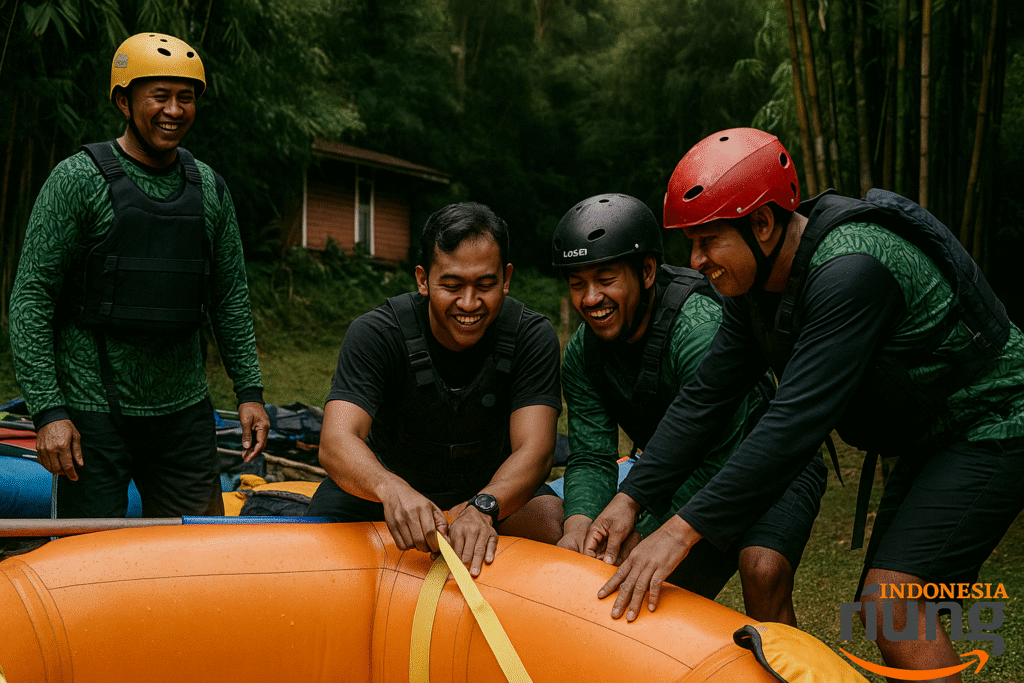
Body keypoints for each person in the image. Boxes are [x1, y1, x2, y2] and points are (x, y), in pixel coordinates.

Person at [588, 128, 1024, 678]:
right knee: (889, 609)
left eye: (708, 241)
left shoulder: (849, 272)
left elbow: (794, 422)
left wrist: (679, 530)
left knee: (894, 604)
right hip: (932, 435)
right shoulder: (757, 285)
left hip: (994, 420)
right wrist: (631, 498)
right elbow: (707, 397)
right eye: (690, 244)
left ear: (762, 224)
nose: (696, 260)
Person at [9, 33, 268, 518]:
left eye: (186, 97)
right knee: (94, 555)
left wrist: (249, 392)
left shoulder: (210, 188)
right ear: (124, 102)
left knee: (200, 550)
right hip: (91, 414)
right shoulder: (77, 180)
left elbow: (230, 296)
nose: (174, 110)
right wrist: (48, 411)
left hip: (184, 414)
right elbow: (31, 300)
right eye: (160, 96)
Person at [552, 193, 826, 624]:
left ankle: (789, 658)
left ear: (647, 272)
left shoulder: (698, 330)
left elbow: (721, 454)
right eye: (577, 284)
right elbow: (591, 454)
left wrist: (649, 529)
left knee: (763, 569)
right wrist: (578, 526)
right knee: (627, 578)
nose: (591, 298)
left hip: (770, 465)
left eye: (606, 279)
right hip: (672, 474)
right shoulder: (582, 353)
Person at [306, 202, 563, 576]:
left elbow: (535, 450)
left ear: (506, 278)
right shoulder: (375, 333)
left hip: (490, 490)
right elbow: (336, 441)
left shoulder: (532, 336)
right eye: (452, 286)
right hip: (385, 490)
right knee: (316, 550)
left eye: (485, 285)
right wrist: (392, 491)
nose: (469, 304)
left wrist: (484, 506)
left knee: (551, 521)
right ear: (423, 279)